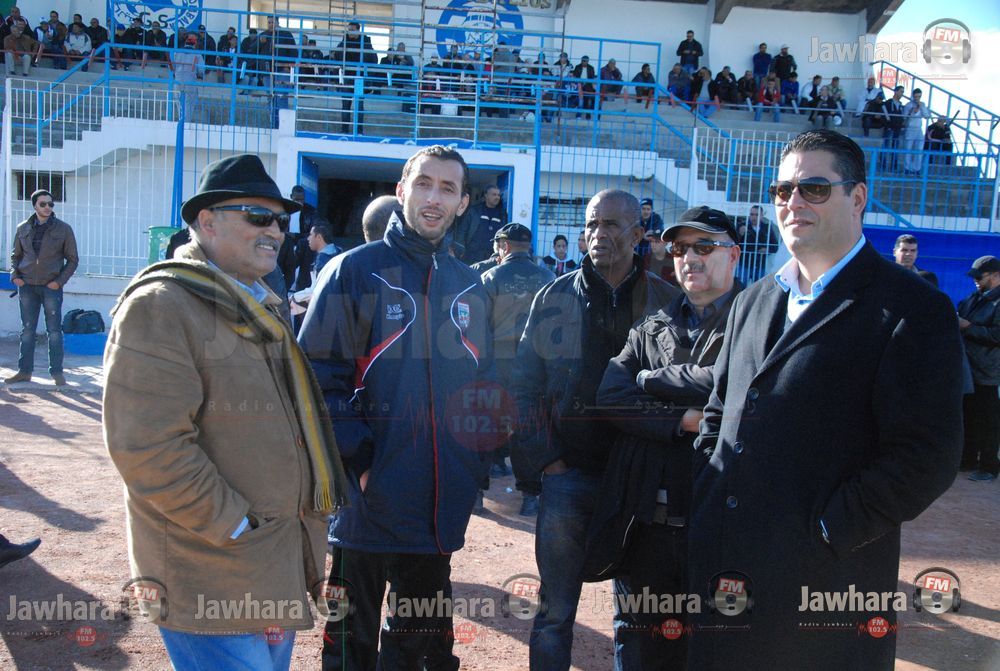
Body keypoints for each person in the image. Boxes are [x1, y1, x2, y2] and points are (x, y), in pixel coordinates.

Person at [687, 130, 965, 670]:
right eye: (782, 190)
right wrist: (710, 495)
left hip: (828, 590)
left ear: (857, 198)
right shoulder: (752, 301)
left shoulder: (912, 308)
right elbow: (721, 410)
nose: (793, 202)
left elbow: (926, 456)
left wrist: (826, 531)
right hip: (727, 574)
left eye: (813, 188)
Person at [103, 154, 348, 670]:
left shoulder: (260, 303)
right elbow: (147, 447)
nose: (275, 231)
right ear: (206, 221)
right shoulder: (161, 304)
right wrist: (235, 524)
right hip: (212, 567)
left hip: (269, 559)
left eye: (280, 221)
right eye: (257, 217)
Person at [300, 145, 493, 671]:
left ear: (463, 203)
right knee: (350, 644)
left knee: (419, 644)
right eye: (424, 184)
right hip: (369, 500)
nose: (434, 198)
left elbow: (486, 384)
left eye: (448, 188)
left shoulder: (470, 284)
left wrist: (471, 462)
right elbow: (316, 377)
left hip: (439, 505)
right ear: (401, 190)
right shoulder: (354, 270)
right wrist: (361, 464)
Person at [512, 189, 678, 670]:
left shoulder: (668, 302)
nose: (598, 234)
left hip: (641, 483)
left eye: (611, 224)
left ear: (638, 233)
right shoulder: (553, 297)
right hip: (569, 477)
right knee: (554, 611)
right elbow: (522, 386)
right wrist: (549, 461)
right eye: (591, 224)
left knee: (637, 615)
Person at [591, 206, 741, 670]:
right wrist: (683, 420)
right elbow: (611, 396)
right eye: (679, 248)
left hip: (724, 530)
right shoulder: (652, 325)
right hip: (648, 525)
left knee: (716, 650)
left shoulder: (759, 323)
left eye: (704, 246)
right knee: (641, 647)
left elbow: (736, 385)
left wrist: (651, 380)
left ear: (733, 254)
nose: (689, 258)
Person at [480, 223, 555, 515]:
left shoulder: (491, 277)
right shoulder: (548, 277)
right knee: (528, 426)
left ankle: (479, 490)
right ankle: (530, 496)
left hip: (497, 360)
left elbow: (479, 325)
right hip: (533, 362)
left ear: (505, 246)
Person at [6, 190, 78, 386]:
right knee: (27, 330)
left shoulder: (63, 229)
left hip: (51, 286)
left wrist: (59, 282)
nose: (48, 207)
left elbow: (73, 260)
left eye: (50, 204)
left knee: (54, 331)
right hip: (27, 286)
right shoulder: (23, 228)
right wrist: (15, 276)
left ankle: (57, 373)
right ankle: (24, 371)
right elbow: (15, 256)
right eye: (43, 204)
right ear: (35, 206)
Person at [957, 255, 1000, 482]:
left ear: (995, 275)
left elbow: (997, 335)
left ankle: (989, 466)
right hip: (969, 370)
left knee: (988, 422)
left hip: (988, 372)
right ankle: (968, 460)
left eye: (979, 276)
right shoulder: (974, 298)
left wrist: (968, 326)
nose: (975, 280)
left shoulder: (996, 302)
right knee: (969, 417)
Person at [333, 21, 376, 133]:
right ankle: (344, 130)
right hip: (347, 77)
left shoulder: (366, 43)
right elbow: (336, 57)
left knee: (359, 106)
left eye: (352, 30)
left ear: (358, 30)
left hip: (360, 79)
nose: (350, 32)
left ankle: (359, 131)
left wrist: (368, 80)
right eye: (349, 29)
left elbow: (373, 60)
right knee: (345, 105)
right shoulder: (344, 42)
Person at [454, 185, 508, 265]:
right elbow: (462, 231)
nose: (497, 197)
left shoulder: (502, 214)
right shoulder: (474, 211)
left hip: (492, 257)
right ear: (486, 195)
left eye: (498, 195)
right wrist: (460, 250)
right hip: (471, 255)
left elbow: (504, 234)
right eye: (494, 194)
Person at [737, 204, 780, 282]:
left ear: (762, 216)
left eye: (757, 215)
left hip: (760, 264)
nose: (754, 217)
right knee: (741, 285)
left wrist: (767, 249)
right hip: (744, 263)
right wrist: (740, 234)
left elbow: (775, 246)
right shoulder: (742, 226)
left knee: (759, 287)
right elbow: (734, 243)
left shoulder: (767, 228)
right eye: (752, 214)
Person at [901, 88, 932, 174]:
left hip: (918, 129)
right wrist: (912, 111)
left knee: (919, 149)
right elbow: (904, 116)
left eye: (919, 96)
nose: (917, 98)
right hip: (910, 129)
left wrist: (922, 107)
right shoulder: (908, 105)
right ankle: (907, 168)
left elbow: (926, 116)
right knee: (908, 148)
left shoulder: (923, 104)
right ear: (913, 96)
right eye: (916, 96)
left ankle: (917, 168)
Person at [881, 86, 905, 171]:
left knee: (895, 148)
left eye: (903, 92)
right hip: (889, 128)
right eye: (901, 91)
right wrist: (888, 125)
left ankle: (894, 167)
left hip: (897, 129)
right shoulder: (887, 103)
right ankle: (883, 166)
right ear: (896, 91)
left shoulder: (901, 105)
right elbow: (885, 116)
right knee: (885, 147)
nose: (902, 94)